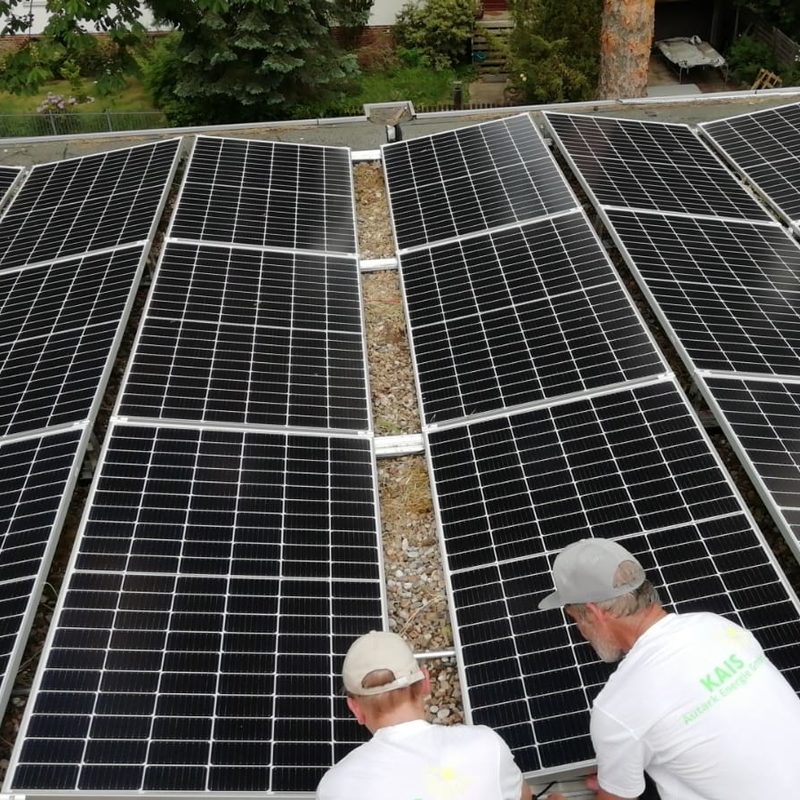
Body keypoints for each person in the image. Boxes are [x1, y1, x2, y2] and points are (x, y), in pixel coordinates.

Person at [538, 537, 800, 800]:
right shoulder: (716, 624)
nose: (580, 631)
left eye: (574, 618)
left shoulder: (618, 708)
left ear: (595, 613)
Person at [316, 630, 532, 800]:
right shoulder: (486, 745)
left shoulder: (336, 788)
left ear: (355, 709)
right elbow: (523, 796)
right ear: (426, 683)